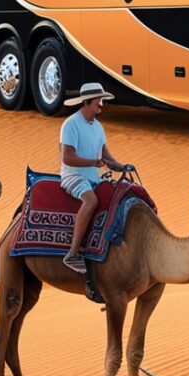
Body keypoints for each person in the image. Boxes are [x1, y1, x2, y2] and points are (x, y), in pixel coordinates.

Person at [60, 82, 129, 273]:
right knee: (91, 201)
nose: (102, 104)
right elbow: (67, 157)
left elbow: (106, 156)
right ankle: (72, 253)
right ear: (88, 101)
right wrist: (92, 163)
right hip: (73, 176)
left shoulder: (98, 127)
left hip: (94, 178)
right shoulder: (71, 124)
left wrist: (122, 166)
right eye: (99, 100)